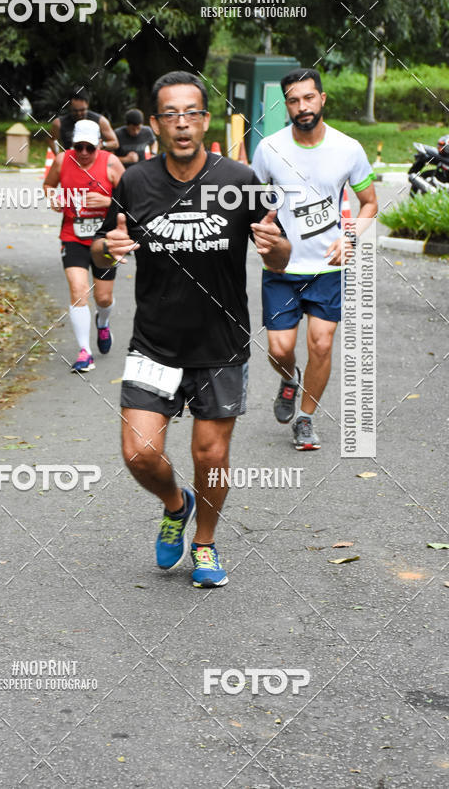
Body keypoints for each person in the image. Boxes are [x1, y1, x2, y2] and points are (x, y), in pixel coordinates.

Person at [91, 71, 290, 588]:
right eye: (171, 115)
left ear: (205, 120)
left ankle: (204, 542)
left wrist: (276, 249)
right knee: (139, 452)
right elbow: (100, 248)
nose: (182, 124)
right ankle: (175, 504)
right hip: (154, 342)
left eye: (192, 113)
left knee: (212, 454)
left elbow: (281, 253)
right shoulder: (135, 182)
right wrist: (103, 252)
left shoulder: (239, 180)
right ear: (156, 124)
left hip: (220, 346)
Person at [251, 68, 378, 451]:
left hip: (328, 266)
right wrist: (261, 232)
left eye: (309, 98)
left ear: (323, 99)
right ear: (286, 105)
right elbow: (251, 202)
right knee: (279, 349)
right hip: (281, 267)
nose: (302, 106)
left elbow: (369, 202)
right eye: (294, 100)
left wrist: (350, 237)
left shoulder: (348, 149)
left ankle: (305, 418)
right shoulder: (268, 149)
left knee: (321, 344)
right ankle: (290, 379)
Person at [44, 119, 125, 372]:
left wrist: (107, 201)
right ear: (72, 145)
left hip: (103, 239)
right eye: (79, 147)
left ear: (99, 145)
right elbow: (48, 185)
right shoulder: (61, 161)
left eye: (90, 147)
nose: (84, 153)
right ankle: (84, 352)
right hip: (73, 235)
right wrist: (53, 198)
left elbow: (133, 199)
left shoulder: (111, 163)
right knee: (79, 290)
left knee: (103, 297)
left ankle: (103, 321)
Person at [50, 87, 118, 153]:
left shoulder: (100, 121)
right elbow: (51, 139)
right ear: (69, 106)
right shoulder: (59, 123)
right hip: (72, 160)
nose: (79, 113)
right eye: (75, 111)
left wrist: (102, 145)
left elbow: (115, 143)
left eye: (82, 110)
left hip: (94, 161)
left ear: (87, 105)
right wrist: (58, 154)